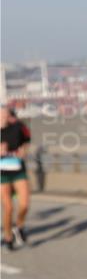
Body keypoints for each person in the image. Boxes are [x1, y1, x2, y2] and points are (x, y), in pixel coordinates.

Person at [1, 107, 32, 250]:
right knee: (8, 208)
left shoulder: (18, 127)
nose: (3, 118)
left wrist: (24, 150)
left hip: (18, 170)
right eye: (1, 115)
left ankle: (19, 226)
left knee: (24, 205)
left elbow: (26, 141)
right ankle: (8, 237)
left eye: (5, 115)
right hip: (2, 173)